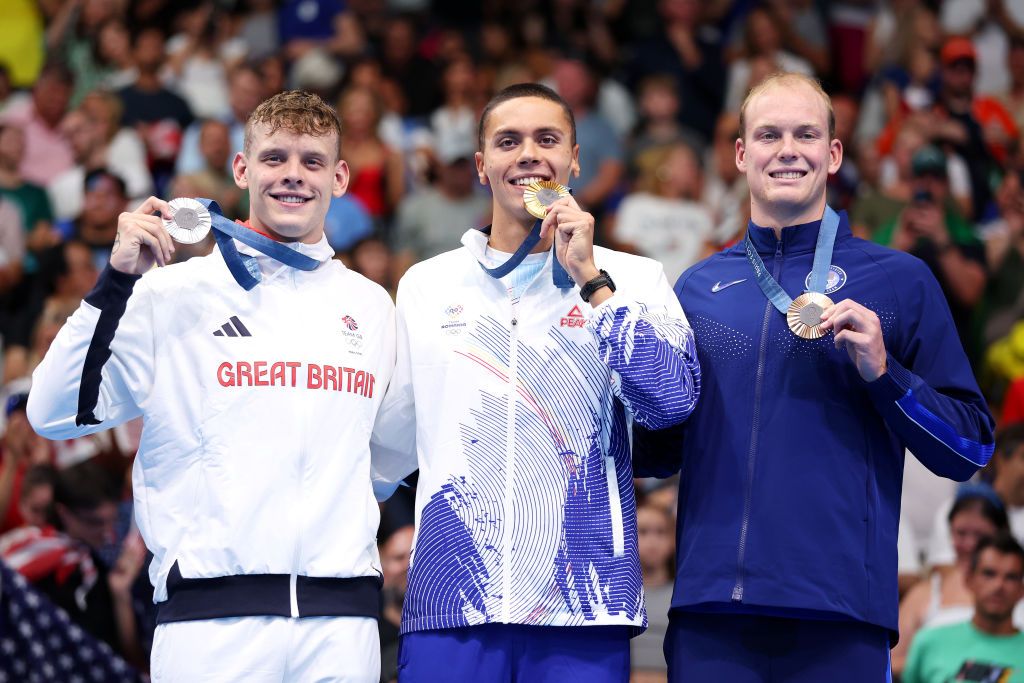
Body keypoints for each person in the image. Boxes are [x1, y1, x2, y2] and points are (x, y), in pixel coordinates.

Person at [635, 72, 995, 682]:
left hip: (840, 612)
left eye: (806, 134)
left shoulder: (899, 281)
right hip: (713, 611)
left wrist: (886, 373)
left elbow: (970, 447)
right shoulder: (698, 289)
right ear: (742, 154)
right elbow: (664, 451)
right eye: (769, 134)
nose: (787, 150)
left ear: (833, 154)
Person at [27, 90, 396, 681]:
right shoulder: (171, 293)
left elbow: (386, 450)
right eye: (275, 158)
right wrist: (117, 280)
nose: (293, 176)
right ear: (242, 169)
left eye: (312, 161)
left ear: (341, 176)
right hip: (209, 625)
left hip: (342, 626)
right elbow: (53, 409)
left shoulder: (371, 306)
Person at [370, 82, 701, 683]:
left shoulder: (635, 277)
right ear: (481, 166)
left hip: (585, 599)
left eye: (547, 139)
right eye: (508, 141)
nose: (528, 154)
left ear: (574, 159)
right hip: (453, 597)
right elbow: (388, 442)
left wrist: (592, 281)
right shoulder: (427, 284)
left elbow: (672, 401)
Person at [892, 489, 1010, 675]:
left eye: (981, 535)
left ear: (1002, 533)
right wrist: (943, 663)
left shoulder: (1015, 591)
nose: (970, 544)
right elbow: (889, 662)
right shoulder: (925, 594)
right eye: (961, 533)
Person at [902, 533, 1024, 683]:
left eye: (1011, 577)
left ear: (1021, 589)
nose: (999, 585)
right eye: (989, 574)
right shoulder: (929, 642)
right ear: (968, 580)